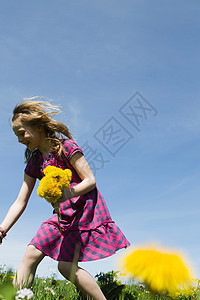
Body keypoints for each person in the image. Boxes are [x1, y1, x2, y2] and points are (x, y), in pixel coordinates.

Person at [0, 98, 130, 300]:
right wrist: (2, 229)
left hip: (83, 212)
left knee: (66, 266)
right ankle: (12, 297)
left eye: (22, 133)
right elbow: (21, 200)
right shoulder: (34, 162)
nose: (19, 139)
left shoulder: (66, 147)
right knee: (31, 252)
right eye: (16, 135)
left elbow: (90, 181)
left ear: (39, 127)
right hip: (61, 216)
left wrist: (67, 193)